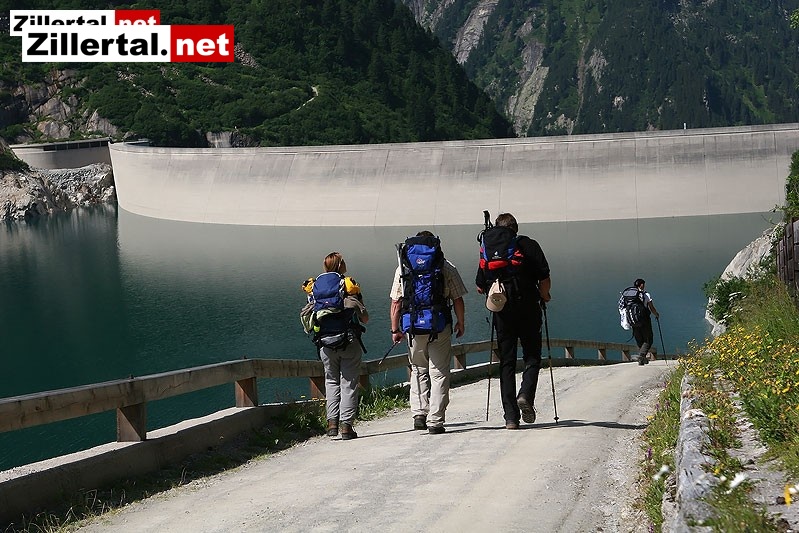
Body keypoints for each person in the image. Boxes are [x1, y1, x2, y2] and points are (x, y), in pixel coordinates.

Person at [476, 213, 551, 430]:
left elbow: (480, 285)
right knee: (532, 356)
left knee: (507, 362)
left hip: (502, 311)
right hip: (528, 307)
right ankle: (525, 394)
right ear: (515, 228)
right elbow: (544, 277)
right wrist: (545, 296)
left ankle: (511, 418)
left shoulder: (488, 248)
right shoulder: (528, 245)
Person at [390, 231, 467, 435]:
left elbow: (396, 302)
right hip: (439, 325)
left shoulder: (403, 267)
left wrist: (395, 329)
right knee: (439, 373)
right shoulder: (446, 266)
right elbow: (458, 298)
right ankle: (435, 421)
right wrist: (461, 323)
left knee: (418, 369)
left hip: (413, 327)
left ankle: (419, 414)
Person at [303, 252, 369, 440]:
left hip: (324, 343)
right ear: (340, 265)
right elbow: (365, 318)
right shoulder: (348, 287)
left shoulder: (316, 290)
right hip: (348, 342)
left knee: (331, 382)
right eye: (343, 262)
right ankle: (346, 426)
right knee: (348, 383)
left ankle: (332, 424)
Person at [631, 278, 659, 365]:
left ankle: (642, 359)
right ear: (642, 285)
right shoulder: (646, 295)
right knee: (648, 339)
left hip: (633, 321)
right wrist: (656, 314)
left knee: (639, 340)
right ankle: (642, 356)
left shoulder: (630, 296)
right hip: (644, 320)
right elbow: (651, 307)